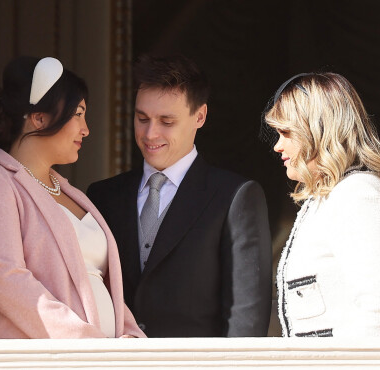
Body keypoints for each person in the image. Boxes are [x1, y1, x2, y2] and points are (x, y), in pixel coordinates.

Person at [0, 56, 145, 339]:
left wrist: (130, 339)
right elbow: (8, 282)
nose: (86, 129)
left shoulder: (72, 193)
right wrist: (88, 344)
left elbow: (101, 284)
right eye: (78, 114)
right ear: (39, 117)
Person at [87, 55, 272, 337]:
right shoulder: (103, 196)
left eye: (167, 121)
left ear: (200, 116)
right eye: (142, 119)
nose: (151, 134)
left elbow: (246, 317)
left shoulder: (235, 196)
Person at [262, 72, 380, 337]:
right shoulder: (331, 198)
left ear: (319, 130)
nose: (278, 146)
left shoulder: (359, 196)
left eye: (286, 132)